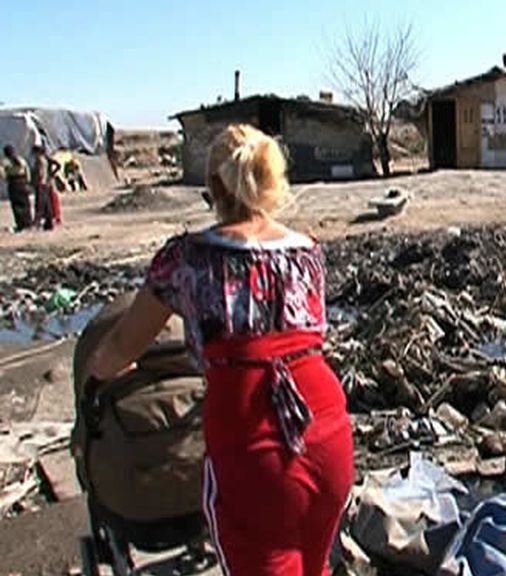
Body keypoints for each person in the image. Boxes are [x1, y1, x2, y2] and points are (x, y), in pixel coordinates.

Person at [85, 124, 354, 576]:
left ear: (212, 186)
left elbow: (121, 347)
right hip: (328, 432)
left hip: (254, 446)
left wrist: (95, 377)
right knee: (313, 565)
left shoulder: (186, 259)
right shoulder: (307, 252)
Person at [30, 145, 62, 229]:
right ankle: (49, 222)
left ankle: (37, 221)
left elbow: (40, 172)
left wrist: (37, 180)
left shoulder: (40, 160)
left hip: (41, 183)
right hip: (46, 183)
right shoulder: (45, 159)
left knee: (40, 203)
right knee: (47, 203)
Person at [3, 145, 33, 231]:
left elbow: (2, 173)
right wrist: (27, 181)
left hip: (13, 183)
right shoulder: (21, 160)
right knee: (25, 203)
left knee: (16, 204)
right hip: (23, 182)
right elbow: (27, 171)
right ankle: (28, 222)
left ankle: (20, 224)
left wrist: (7, 178)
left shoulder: (5, 162)